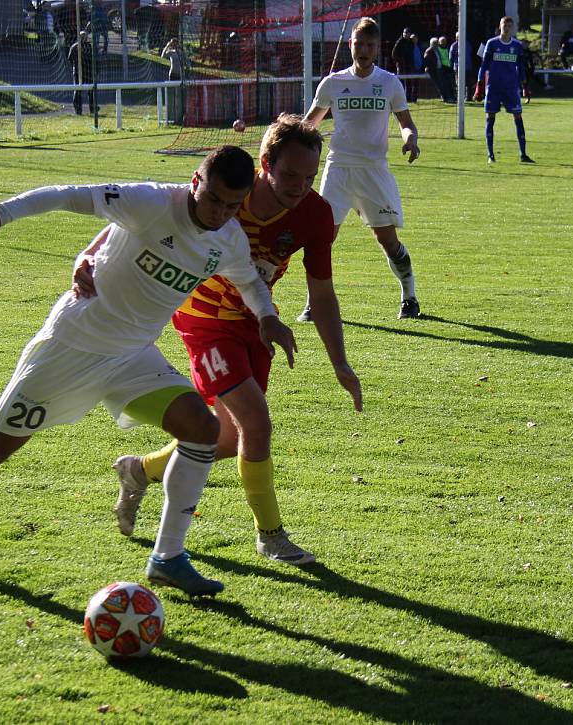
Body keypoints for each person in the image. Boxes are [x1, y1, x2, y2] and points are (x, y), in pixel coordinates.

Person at [0, 145, 297, 597]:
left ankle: (168, 556)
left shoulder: (229, 238)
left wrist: (266, 315)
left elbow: (249, 280)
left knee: (201, 428)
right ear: (196, 183)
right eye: (214, 199)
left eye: (232, 205)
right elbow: (66, 194)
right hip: (71, 346)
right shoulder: (151, 202)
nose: (220, 212)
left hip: (131, 358)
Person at [74, 115, 362, 565]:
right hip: (203, 319)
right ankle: (271, 536)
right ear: (264, 163)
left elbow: (321, 292)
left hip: (255, 323)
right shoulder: (230, 188)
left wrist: (340, 363)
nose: (300, 185)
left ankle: (139, 469)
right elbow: (147, 211)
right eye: (290, 175)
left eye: (309, 176)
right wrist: (89, 256)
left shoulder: (316, 214)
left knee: (227, 440)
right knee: (257, 421)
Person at [296, 17, 421, 322]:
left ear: (378, 48)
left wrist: (410, 141)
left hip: (373, 171)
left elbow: (406, 123)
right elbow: (310, 123)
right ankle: (314, 303)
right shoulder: (333, 83)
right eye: (359, 43)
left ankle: (409, 296)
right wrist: (289, 140)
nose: (364, 50)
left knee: (388, 242)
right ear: (350, 45)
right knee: (321, 239)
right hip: (338, 168)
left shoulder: (389, 83)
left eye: (370, 45)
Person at [474, 16, 534, 164]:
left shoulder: (517, 45)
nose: (506, 28)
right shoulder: (492, 43)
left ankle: (523, 154)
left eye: (509, 26)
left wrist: (525, 85)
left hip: (511, 88)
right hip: (493, 88)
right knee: (490, 118)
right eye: (504, 25)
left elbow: (520, 67)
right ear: (499, 26)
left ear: (512, 28)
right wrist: (479, 84)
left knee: (518, 117)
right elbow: (484, 65)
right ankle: (490, 155)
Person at [68, 31, 95, 115]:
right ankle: (92, 109)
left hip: (77, 71)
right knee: (90, 91)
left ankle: (78, 109)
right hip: (88, 71)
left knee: (77, 90)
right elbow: (92, 58)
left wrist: (74, 64)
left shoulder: (74, 46)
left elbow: (69, 58)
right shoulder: (88, 46)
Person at [161, 38, 186, 124]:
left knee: (178, 95)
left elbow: (186, 62)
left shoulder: (181, 53)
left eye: (176, 43)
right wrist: (167, 46)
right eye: (173, 44)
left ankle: (179, 116)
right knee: (171, 95)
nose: (175, 45)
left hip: (180, 75)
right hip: (172, 75)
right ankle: (171, 116)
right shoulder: (171, 52)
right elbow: (163, 56)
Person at [391, 27, 418, 103]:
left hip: (409, 64)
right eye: (405, 33)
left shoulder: (411, 42)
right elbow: (393, 54)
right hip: (402, 65)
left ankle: (409, 98)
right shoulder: (399, 42)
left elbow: (411, 53)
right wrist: (398, 62)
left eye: (407, 33)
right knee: (401, 82)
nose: (406, 34)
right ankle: (400, 98)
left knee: (409, 81)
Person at [449, 32, 474, 101]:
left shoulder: (468, 44)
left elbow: (470, 54)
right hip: (458, 67)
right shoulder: (454, 46)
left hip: (468, 67)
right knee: (459, 83)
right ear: (456, 37)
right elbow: (451, 57)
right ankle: (460, 97)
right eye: (458, 37)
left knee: (469, 83)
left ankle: (469, 97)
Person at [422, 37, 445, 101]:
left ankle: (443, 97)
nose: (437, 44)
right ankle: (443, 97)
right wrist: (427, 67)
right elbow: (426, 61)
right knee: (438, 84)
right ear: (432, 44)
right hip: (433, 70)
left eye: (437, 43)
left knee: (441, 84)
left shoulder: (437, 50)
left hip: (439, 69)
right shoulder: (428, 51)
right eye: (435, 43)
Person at [437, 36, 456, 102]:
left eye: (444, 41)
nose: (444, 43)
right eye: (442, 41)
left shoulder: (448, 48)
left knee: (451, 84)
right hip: (443, 69)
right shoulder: (438, 49)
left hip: (449, 68)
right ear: (439, 42)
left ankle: (453, 97)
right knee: (445, 84)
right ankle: (446, 97)